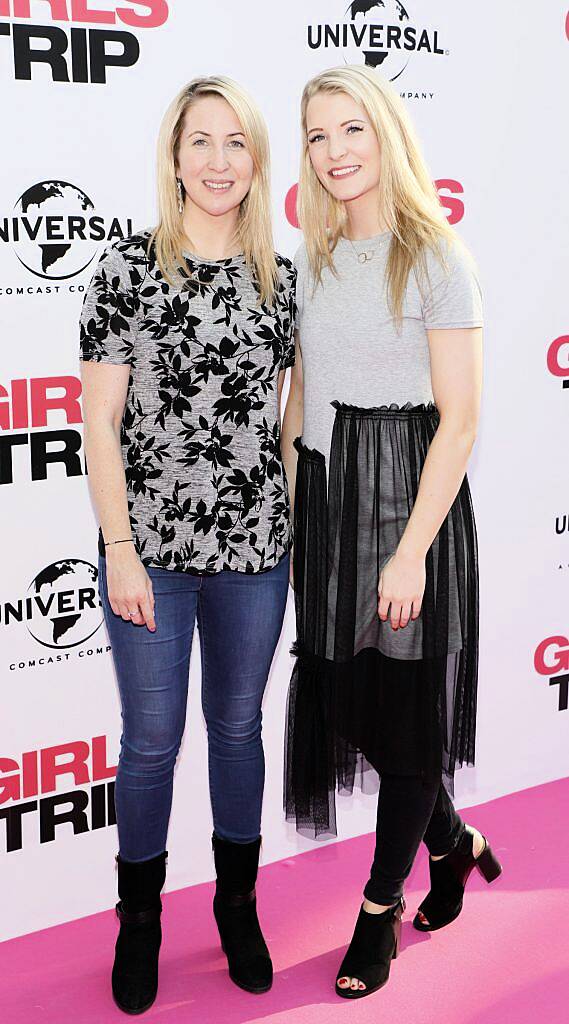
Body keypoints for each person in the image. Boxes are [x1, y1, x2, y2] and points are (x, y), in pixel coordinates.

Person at [281, 65, 501, 1001]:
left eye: (351, 131)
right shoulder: (313, 260)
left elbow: (458, 420)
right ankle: (455, 844)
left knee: (406, 725)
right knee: (346, 705)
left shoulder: (434, 255)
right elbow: (300, 403)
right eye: (318, 136)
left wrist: (410, 550)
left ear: (386, 136)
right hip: (330, 509)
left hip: (410, 512)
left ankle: (379, 913)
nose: (335, 152)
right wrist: (294, 515)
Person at [79, 75, 296, 1014]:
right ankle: (140, 921)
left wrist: (288, 502)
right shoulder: (125, 270)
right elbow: (97, 423)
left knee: (238, 729)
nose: (218, 162)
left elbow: (290, 418)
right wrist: (120, 547)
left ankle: (237, 906)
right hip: (152, 555)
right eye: (200, 143)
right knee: (152, 741)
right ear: (174, 156)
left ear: (255, 160)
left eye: (235, 144)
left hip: (257, 552)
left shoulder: (281, 278)